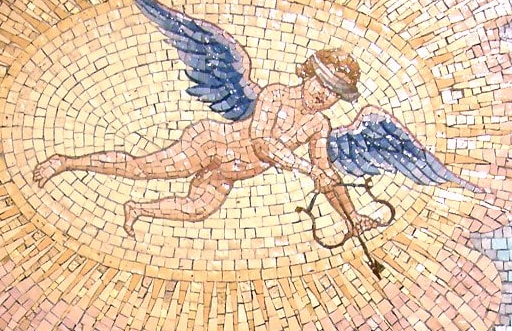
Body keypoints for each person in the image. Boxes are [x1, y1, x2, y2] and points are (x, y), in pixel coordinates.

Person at [34, 46, 386, 241]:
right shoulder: (276, 94)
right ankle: (65, 162)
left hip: (229, 173)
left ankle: (137, 209)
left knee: (197, 209)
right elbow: (262, 144)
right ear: (308, 75)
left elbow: (326, 174)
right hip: (210, 145)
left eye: (334, 93)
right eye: (322, 83)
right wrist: (307, 168)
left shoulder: (319, 125)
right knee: (142, 169)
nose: (324, 95)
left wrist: (351, 216)